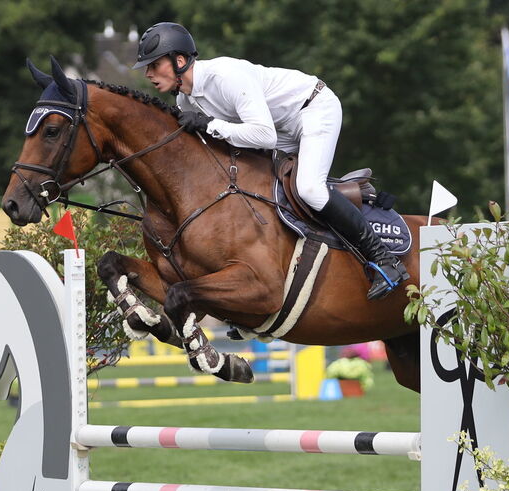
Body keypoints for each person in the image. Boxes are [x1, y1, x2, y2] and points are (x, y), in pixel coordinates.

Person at [130, 22, 408, 300]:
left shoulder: (225, 76)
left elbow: (264, 136)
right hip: (281, 129)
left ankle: (385, 259)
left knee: (309, 188)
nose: (148, 73)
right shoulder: (186, 99)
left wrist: (210, 124)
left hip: (312, 109)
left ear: (179, 61)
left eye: (154, 65)